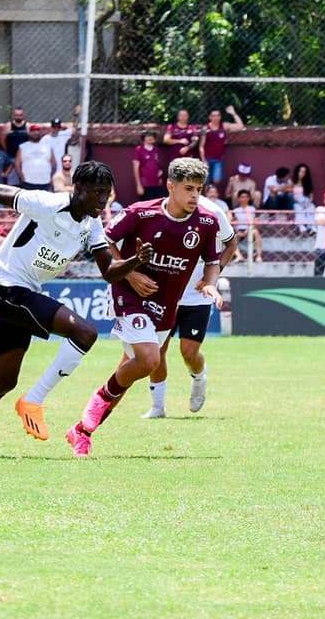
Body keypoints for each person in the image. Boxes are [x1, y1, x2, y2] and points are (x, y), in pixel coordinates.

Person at [0, 161, 153, 457]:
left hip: (22, 292)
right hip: (5, 286)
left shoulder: (91, 223)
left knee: (3, 380)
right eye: (97, 193)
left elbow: (109, 271)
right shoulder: (47, 203)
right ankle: (34, 400)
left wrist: (136, 260)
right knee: (85, 332)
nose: (102, 201)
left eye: (106, 194)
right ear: (79, 188)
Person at [65, 158, 222, 457]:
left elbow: (213, 262)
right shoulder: (141, 212)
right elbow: (104, 241)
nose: (194, 196)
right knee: (150, 359)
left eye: (198, 190)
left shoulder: (206, 222)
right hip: (129, 295)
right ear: (170, 186)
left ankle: (82, 431)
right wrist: (131, 273)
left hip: (166, 305)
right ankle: (84, 426)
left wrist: (210, 283)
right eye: (188, 188)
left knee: (128, 373)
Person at [137, 193, 238, 418]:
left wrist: (214, 275)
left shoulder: (212, 212)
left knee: (189, 352)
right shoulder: (163, 208)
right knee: (157, 351)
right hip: (166, 294)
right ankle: (158, 407)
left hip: (197, 296)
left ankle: (199, 377)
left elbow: (232, 242)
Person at [199, 105, 245, 187]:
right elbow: (201, 146)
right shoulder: (205, 128)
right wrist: (203, 160)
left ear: (220, 117)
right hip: (207, 158)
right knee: (206, 181)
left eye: (218, 115)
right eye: (213, 116)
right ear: (210, 117)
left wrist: (233, 113)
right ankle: (207, 198)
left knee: (217, 180)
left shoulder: (224, 126)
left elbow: (240, 126)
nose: (216, 118)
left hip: (218, 159)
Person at [15, 124, 55, 190]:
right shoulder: (23, 146)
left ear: (40, 133)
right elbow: (17, 164)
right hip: (28, 182)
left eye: (37, 131)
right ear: (29, 133)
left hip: (45, 182)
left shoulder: (48, 146)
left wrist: (51, 176)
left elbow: (54, 164)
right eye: (33, 131)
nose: (35, 133)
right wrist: (21, 177)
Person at [231, 188, 263, 262]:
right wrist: (238, 232)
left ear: (249, 198)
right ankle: (239, 256)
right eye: (242, 197)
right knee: (232, 238)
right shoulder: (235, 210)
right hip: (239, 231)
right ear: (238, 198)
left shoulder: (253, 209)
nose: (244, 199)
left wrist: (247, 230)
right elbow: (233, 223)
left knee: (256, 232)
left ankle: (259, 256)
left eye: (246, 197)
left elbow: (256, 222)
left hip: (250, 229)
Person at [1, 106, 30, 185]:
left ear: (23, 115)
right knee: (13, 182)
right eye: (16, 115)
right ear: (13, 115)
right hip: (12, 157)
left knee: (25, 180)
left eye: (20, 115)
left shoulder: (27, 126)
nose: (18, 117)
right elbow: (2, 140)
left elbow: (31, 140)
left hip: (25, 158)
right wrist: (7, 150)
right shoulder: (8, 126)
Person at [133, 130, 165, 200]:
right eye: (148, 136)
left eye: (153, 136)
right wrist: (139, 185)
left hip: (157, 183)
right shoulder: (139, 149)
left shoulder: (156, 149)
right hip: (145, 184)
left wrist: (160, 171)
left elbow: (157, 163)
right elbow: (136, 167)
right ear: (143, 138)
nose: (151, 137)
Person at [292, 163, 315, 235]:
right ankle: (301, 226)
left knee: (311, 207)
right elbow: (291, 196)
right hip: (296, 201)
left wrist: (308, 203)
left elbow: (311, 196)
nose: (302, 173)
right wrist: (300, 203)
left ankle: (311, 227)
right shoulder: (292, 182)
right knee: (298, 208)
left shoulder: (307, 183)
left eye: (304, 172)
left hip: (305, 200)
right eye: (300, 171)